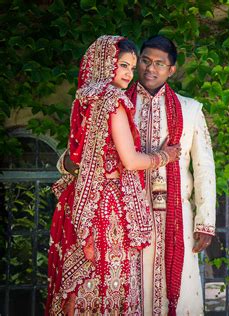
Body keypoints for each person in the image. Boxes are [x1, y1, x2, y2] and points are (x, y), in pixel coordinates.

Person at [45, 35, 181, 315]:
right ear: (105, 64)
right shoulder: (113, 101)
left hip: (82, 201)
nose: (129, 75)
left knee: (82, 283)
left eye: (132, 67)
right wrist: (165, 156)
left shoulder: (84, 99)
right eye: (122, 65)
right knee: (110, 280)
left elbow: (74, 158)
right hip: (108, 208)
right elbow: (130, 160)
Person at [125, 35, 216, 315]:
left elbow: (204, 168)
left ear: (171, 70)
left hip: (177, 217)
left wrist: (206, 222)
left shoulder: (190, 109)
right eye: (145, 61)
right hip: (126, 217)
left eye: (159, 64)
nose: (150, 69)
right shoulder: (120, 105)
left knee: (177, 293)